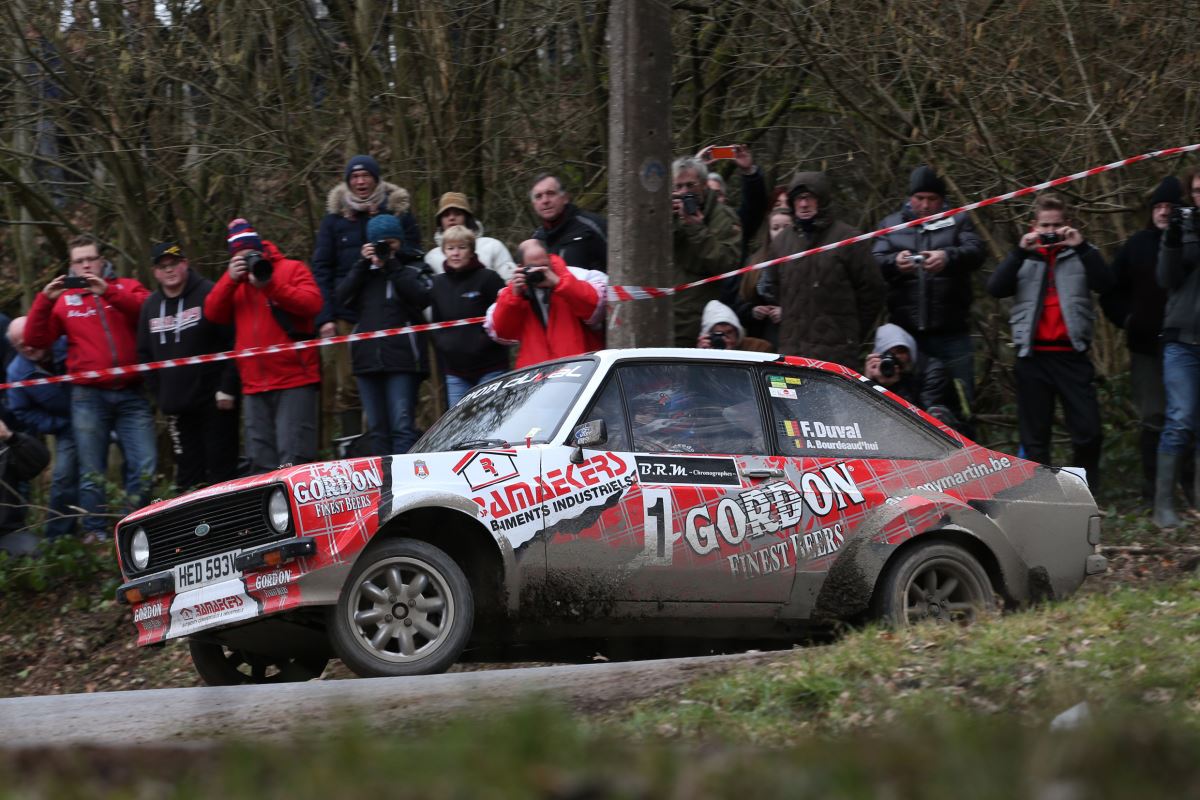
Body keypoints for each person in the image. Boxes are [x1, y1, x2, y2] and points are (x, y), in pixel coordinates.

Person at [24, 233, 155, 541]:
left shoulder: (123, 286)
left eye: (90, 259)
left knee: (145, 463)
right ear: (71, 265)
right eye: (79, 261)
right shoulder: (63, 302)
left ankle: (135, 528)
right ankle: (95, 533)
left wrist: (107, 292)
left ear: (101, 259)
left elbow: (149, 311)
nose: (85, 265)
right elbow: (34, 339)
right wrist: (44, 300)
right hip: (88, 396)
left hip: (131, 392)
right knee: (91, 471)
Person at [986, 193, 1112, 493]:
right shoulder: (1025, 256)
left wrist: (1079, 245)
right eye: (1044, 225)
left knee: (1089, 432)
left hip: (1072, 355)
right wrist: (1019, 252)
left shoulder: (1081, 254)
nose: (1050, 231)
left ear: (1066, 224)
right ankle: (1044, 498)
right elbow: (996, 288)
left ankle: (1086, 493)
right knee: (1035, 438)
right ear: (1033, 226)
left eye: (1056, 225)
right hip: (1033, 358)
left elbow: (1107, 284)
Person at [312, 155, 421, 439]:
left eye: (366, 176)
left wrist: (388, 247)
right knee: (348, 387)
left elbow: (415, 252)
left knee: (399, 398)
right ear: (347, 182)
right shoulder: (334, 221)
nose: (360, 182)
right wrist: (326, 317)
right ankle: (351, 448)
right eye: (354, 177)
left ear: (376, 178)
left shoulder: (397, 210)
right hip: (349, 313)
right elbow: (321, 269)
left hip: (395, 307)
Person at [205, 219, 322, 474]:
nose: (247, 260)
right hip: (253, 384)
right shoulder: (235, 284)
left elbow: (313, 304)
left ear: (262, 249)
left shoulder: (291, 269)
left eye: (250, 254)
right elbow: (212, 313)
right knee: (261, 466)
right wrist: (229, 279)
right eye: (239, 256)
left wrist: (270, 286)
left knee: (294, 462)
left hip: (294, 379)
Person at [872, 165, 985, 420]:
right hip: (906, 336)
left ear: (942, 200)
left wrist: (948, 257)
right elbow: (873, 261)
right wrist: (894, 263)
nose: (925, 205)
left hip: (952, 332)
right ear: (910, 198)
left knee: (961, 401)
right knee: (904, 404)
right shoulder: (891, 225)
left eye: (932, 199)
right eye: (919, 198)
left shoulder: (959, 220)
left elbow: (977, 251)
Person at [1100, 176, 1187, 503]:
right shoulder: (1137, 245)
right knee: (1153, 418)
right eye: (1159, 207)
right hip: (1147, 348)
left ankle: (1189, 493)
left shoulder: (1191, 242)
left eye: (1170, 207)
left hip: (1189, 345)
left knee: (1188, 418)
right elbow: (1109, 290)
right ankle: (1154, 494)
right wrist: (1128, 320)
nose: (1164, 212)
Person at [137, 242, 241, 490]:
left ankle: (231, 524)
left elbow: (233, 341)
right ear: (155, 272)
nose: (169, 270)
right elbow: (144, 354)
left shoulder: (209, 293)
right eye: (163, 267)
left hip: (216, 401)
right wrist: (160, 395)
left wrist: (228, 386)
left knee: (221, 471)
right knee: (187, 476)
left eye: (174, 264)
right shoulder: (150, 306)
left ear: (185, 263)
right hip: (177, 406)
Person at [764, 171, 886, 368]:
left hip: (838, 354)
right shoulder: (781, 244)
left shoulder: (849, 239)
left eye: (809, 198)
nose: (803, 204)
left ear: (822, 200)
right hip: (793, 352)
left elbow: (873, 291)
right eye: (798, 198)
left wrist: (850, 334)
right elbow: (774, 288)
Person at [336, 214, 432, 454]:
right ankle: (383, 485)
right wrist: (361, 264)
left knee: (402, 427)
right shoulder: (363, 273)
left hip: (403, 360)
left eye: (390, 242)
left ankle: (404, 486)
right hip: (367, 361)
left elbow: (421, 297)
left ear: (399, 242)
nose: (384, 247)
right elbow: (340, 299)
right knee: (377, 430)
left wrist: (392, 266)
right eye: (379, 243)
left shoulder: (413, 266)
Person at [1154, 167, 1200, 528]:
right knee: (1180, 419)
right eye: (1197, 191)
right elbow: (1166, 279)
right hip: (1182, 340)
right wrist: (1171, 237)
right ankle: (1163, 506)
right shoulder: (1182, 228)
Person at [5, 317, 77, 541]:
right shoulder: (16, 372)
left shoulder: (66, 344)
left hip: (102, 411)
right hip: (67, 426)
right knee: (63, 476)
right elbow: (23, 412)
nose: (28, 347)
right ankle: (57, 538)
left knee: (138, 461)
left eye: (29, 340)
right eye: (20, 345)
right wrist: (57, 425)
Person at [487, 239, 606, 369]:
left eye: (544, 266)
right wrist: (514, 297)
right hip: (536, 378)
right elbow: (501, 333)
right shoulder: (514, 291)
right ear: (521, 267)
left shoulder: (577, 276)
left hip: (581, 371)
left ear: (549, 258)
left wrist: (561, 284)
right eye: (533, 268)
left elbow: (597, 309)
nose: (540, 272)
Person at [429, 225, 510, 407]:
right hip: (455, 371)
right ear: (444, 251)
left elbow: (504, 317)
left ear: (471, 250)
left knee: (491, 423)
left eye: (461, 247)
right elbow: (435, 325)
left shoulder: (489, 278)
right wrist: (445, 345)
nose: (456, 253)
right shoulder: (438, 283)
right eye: (450, 248)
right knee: (459, 430)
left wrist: (482, 342)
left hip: (491, 367)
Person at [671, 157, 744, 347]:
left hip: (696, 321)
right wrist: (667, 220)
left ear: (704, 185)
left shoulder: (723, 217)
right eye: (679, 186)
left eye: (690, 185)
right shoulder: (665, 212)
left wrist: (697, 229)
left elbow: (727, 262)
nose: (684, 192)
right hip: (660, 313)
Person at [863, 323, 955, 426]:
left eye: (901, 351)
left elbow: (925, 421)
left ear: (911, 349)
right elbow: (865, 416)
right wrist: (867, 382)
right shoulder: (881, 372)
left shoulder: (934, 372)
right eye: (888, 354)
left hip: (943, 432)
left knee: (936, 412)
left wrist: (895, 386)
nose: (896, 358)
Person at [698, 144, 769, 261]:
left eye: (717, 194)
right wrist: (695, 165)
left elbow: (755, 208)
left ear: (725, 199)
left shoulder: (736, 222)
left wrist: (749, 172)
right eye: (708, 193)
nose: (712, 198)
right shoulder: (686, 222)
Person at [424, 192, 516, 281]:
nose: (451, 218)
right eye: (446, 215)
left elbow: (510, 283)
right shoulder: (432, 257)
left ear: (467, 218)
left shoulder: (492, 246)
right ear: (440, 221)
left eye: (457, 213)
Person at [529, 173, 608, 272]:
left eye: (550, 193)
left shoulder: (592, 226)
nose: (545, 200)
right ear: (534, 204)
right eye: (538, 196)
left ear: (565, 198)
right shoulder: (536, 240)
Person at [0, 408, 51, 557]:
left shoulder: (5, 449)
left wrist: (10, 437)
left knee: (36, 551)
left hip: (6, 534)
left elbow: (40, 461)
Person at [695, 300, 772, 353]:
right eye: (719, 334)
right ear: (708, 336)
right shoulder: (705, 349)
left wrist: (731, 355)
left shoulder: (758, 347)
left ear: (737, 331)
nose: (725, 338)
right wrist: (700, 354)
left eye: (729, 332)